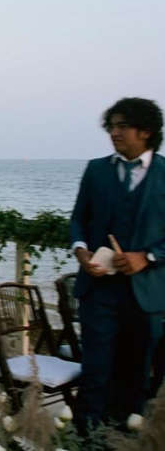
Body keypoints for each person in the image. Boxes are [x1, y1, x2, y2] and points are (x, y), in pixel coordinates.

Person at [70, 97, 165, 431]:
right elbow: (78, 220)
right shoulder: (96, 170)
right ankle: (85, 436)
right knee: (95, 370)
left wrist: (147, 256)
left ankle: (127, 437)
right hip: (99, 290)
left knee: (139, 374)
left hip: (147, 293)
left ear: (147, 131)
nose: (114, 132)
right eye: (111, 126)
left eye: (123, 126)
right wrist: (81, 252)